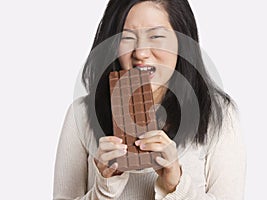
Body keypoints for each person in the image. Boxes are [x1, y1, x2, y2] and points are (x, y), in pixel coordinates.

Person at [53, 0, 246, 199]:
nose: (141, 53)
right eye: (127, 37)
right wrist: (104, 188)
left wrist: (176, 185)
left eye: (156, 36)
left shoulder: (219, 116)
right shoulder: (82, 114)